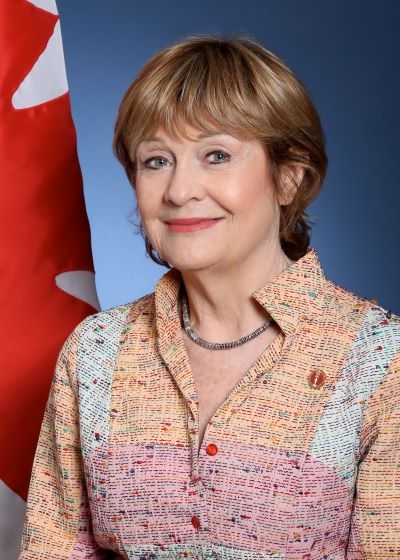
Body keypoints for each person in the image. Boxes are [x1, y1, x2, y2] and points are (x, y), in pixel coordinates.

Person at [19, 37, 399, 560]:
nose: (180, 191)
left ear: (289, 176)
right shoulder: (96, 351)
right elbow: (53, 549)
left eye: (216, 155)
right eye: (156, 160)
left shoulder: (379, 360)